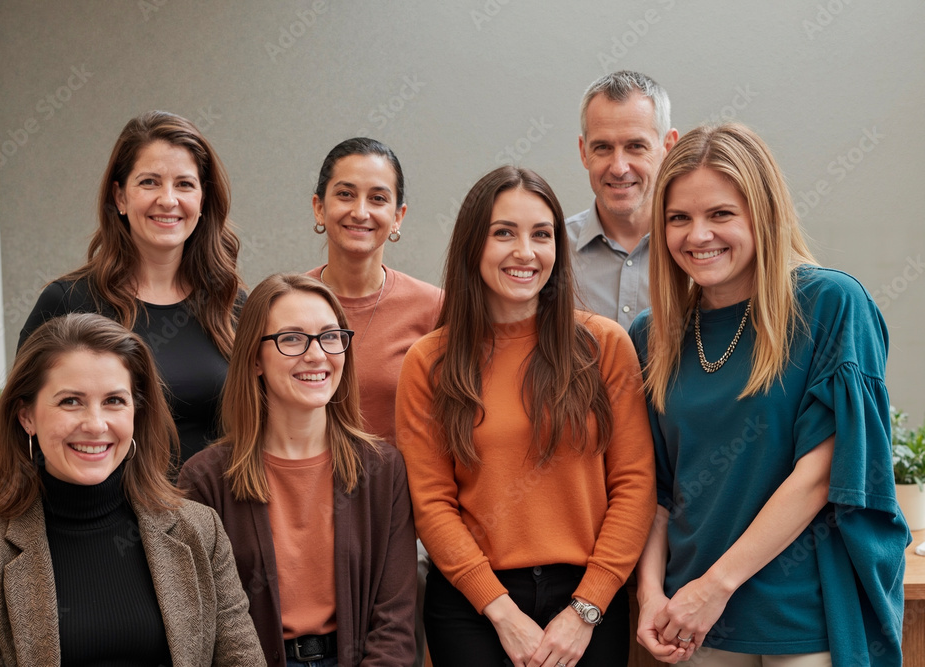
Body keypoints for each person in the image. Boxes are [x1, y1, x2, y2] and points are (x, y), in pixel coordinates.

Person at [630, 123, 910, 666]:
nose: (698, 235)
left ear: (763, 213)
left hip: (803, 614)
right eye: (678, 218)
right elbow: (656, 491)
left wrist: (715, 587)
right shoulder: (652, 335)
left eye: (721, 214)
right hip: (689, 622)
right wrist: (650, 595)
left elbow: (822, 475)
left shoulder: (830, 304)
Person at [396, 166, 656, 667]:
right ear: (473, 244)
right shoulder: (429, 361)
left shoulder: (604, 346)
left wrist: (587, 608)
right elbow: (432, 504)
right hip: (473, 605)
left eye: (541, 234)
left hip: (589, 601)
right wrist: (501, 612)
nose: (525, 252)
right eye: (503, 233)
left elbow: (635, 484)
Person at [0, 312, 264, 666]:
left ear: (136, 413)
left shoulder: (201, 531)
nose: (96, 425)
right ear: (27, 416)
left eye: (114, 400)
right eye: (71, 401)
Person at [179, 273, 417, 667]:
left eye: (330, 336)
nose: (317, 355)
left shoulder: (383, 471)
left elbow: (395, 623)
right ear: (255, 358)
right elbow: (203, 627)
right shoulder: (204, 481)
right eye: (292, 339)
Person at [19, 110, 244, 466]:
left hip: (214, 501)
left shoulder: (231, 303)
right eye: (149, 182)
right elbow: (24, 427)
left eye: (184, 184)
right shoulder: (67, 302)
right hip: (104, 502)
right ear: (120, 197)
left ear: (203, 200)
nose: (168, 199)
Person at [307, 137, 442, 446]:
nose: (360, 212)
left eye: (378, 198)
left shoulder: (436, 309)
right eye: (345, 194)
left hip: (400, 478)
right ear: (319, 207)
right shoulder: (283, 306)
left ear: (398, 217)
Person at [566, 70, 678, 329]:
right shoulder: (550, 252)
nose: (618, 168)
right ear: (584, 152)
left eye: (635, 146)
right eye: (603, 147)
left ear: (668, 148)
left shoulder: (696, 249)